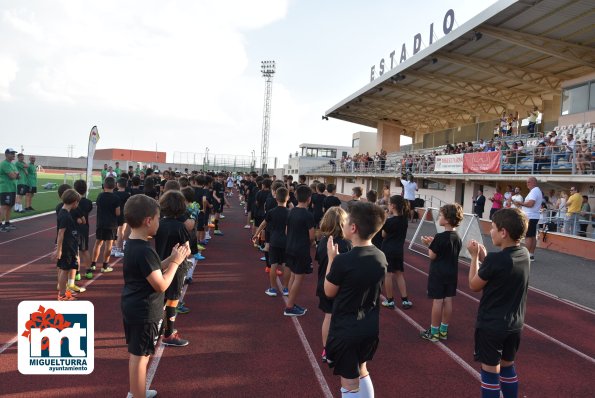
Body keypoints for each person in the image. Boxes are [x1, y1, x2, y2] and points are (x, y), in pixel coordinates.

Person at [121, 194, 190, 398]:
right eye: (158, 218)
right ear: (148, 220)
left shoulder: (133, 245)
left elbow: (152, 270)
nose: (160, 222)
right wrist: (176, 264)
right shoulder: (145, 251)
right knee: (141, 357)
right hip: (145, 310)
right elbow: (161, 285)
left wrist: (171, 258)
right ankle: (138, 394)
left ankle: (137, 391)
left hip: (132, 306)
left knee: (137, 354)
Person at [324, 201, 387, 398]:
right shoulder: (380, 256)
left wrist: (332, 260)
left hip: (347, 328)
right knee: (362, 369)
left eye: (346, 222)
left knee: (350, 381)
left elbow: (329, 291)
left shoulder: (344, 260)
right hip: (369, 325)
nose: (342, 225)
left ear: (353, 228)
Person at [467, 208, 530, 398]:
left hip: (492, 325)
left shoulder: (495, 260)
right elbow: (503, 269)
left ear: (503, 232)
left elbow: (473, 285)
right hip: (514, 325)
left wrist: (474, 258)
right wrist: (486, 260)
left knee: (490, 373)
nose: (490, 231)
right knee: (507, 367)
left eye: (493, 228)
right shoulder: (525, 254)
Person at [419, 203, 463, 342]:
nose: (439, 217)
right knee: (448, 300)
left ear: (448, 220)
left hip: (438, 274)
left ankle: (434, 332)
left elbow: (432, 255)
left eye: (442, 215)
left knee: (437, 302)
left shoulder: (439, 237)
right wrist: (434, 244)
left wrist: (428, 245)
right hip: (451, 273)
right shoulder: (457, 237)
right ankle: (444, 330)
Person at [154, 190, 193, 347]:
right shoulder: (180, 227)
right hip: (176, 267)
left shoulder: (159, 224)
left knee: (161, 297)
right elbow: (187, 250)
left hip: (159, 263)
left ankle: (157, 329)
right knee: (173, 300)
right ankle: (169, 333)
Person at [316, 207, 352, 363]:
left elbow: (318, 259)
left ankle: (326, 349)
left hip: (323, 284)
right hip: (340, 287)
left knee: (328, 316)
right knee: (341, 319)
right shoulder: (346, 244)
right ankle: (340, 348)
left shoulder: (323, 241)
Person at [253, 186, 291, 296]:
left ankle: (273, 289)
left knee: (273, 265)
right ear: (287, 198)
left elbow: (263, 224)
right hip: (286, 241)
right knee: (285, 265)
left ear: (276, 198)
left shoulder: (271, 212)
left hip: (274, 240)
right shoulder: (290, 212)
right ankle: (285, 288)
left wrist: (256, 234)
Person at [284, 185, 315, 317]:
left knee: (293, 276)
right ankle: (290, 307)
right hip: (301, 250)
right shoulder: (308, 215)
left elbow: (286, 231)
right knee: (298, 278)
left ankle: (291, 302)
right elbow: (312, 236)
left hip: (290, 247)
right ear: (309, 199)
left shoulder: (290, 211)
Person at [380, 195, 412, 310]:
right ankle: (405, 300)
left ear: (392, 206)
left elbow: (383, 235)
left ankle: (390, 300)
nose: (388, 205)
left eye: (389, 204)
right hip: (398, 250)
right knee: (399, 274)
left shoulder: (389, 222)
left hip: (388, 249)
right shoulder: (404, 220)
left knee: (388, 274)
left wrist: (385, 218)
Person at [88, 176, 121, 278]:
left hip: (101, 223)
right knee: (108, 245)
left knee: (98, 243)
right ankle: (104, 266)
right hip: (111, 225)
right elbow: (118, 213)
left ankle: (93, 264)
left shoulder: (100, 196)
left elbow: (99, 206)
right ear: (115, 186)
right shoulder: (116, 198)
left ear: (104, 185)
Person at [54, 189, 81, 301]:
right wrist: (59, 250)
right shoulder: (65, 215)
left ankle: (64, 292)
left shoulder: (64, 212)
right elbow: (61, 233)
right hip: (67, 247)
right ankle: (62, 294)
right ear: (74, 202)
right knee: (65, 270)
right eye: (78, 202)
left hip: (69, 245)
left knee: (66, 269)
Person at [513, 177, 542, 261]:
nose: (527, 184)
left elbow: (530, 204)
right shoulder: (537, 190)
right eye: (527, 182)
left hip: (530, 216)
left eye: (529, 182)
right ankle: (531, 255)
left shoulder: (534, 191)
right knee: (532, 236)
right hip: (534, 216)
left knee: (528, 236)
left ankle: (526, 256)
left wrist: (520, 203)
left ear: (534, 182)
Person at [73, 180, 93, 283]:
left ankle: (77, 273)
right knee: (85, 250)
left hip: (74, 228)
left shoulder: (72, 202)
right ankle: (89, 271)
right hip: (85, 228)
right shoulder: (88, 202)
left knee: (76, 251)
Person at [0, 148, 18, 232]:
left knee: (10, 206)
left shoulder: (12, 164)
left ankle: (7, 223)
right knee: (4, 206)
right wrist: (15, 174)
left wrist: (15, 174)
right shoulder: (4, 164)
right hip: (5, 188)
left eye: (14, 153)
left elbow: (18, 175)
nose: (14, 155)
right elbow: (13, 176)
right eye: (12, 153)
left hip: (12, 188)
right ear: (6, 154)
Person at [113, 178, 131, 258]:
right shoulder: (127, 194)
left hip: (114, 214)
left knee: (115, 231)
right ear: (126, 185)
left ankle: (114, 248)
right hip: (123, 214)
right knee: (121, 231)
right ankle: (118, 249)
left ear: (117, 185)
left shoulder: (114, 193)